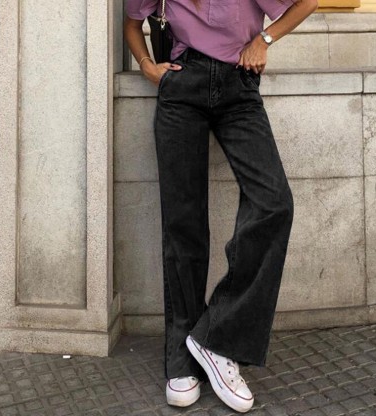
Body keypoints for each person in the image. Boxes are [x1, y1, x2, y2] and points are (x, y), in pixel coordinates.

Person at [124, 0, 317, 412]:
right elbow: (132, 23)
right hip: (181, 87)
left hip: (238, 87)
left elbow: (308, 3)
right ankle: (181, 357)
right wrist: (146, 65)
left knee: (274, 204)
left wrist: (264, 40)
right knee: (184, 226)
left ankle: (217, 338)